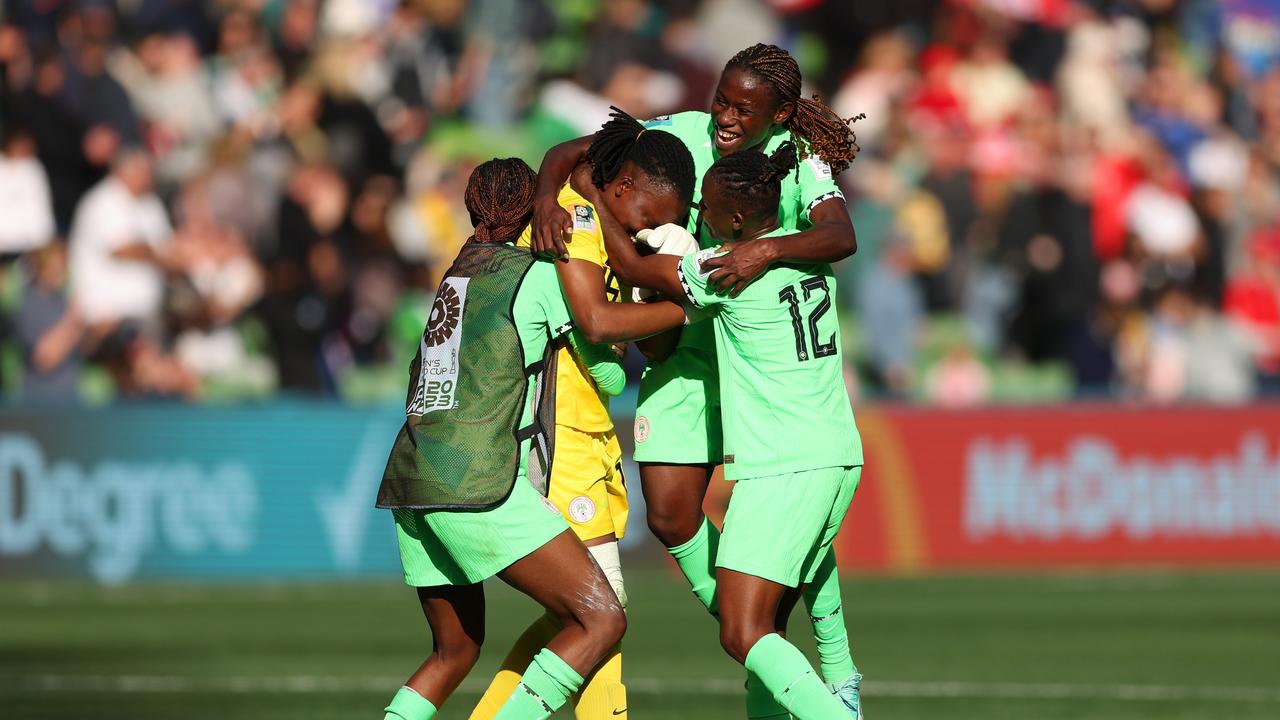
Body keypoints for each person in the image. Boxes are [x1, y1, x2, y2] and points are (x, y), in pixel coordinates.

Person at [531, 44, 865, 716]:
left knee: (770, 566)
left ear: (781, 114)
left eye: (744, 108)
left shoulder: (804, 160)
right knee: (671, 513)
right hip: (688, 342)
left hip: (754, 344)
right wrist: (547, 197)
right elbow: (578, 150)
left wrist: (763, 249)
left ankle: (823, 664)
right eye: (721, 99)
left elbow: (840, 236)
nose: (725, 117)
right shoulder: (681, 133)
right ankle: (762, 642)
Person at [377, 158, 689, 720]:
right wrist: (674, 307)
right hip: (478, 477)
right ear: (533, 212)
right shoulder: (538, 276)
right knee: (601, 617)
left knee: (455, 651)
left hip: (409, 476)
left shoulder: (455, 275)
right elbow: (612, 373)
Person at [597, 143, 863, 720]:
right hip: (838, 451)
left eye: (709, 210)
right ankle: (842, 683)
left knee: (743, 632)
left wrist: (593, 201)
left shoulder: (727, 270)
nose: (700, 217)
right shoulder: (808, 261)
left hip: (784, 464)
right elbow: (836, 233)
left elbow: (634, 269)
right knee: (774, 611)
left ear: (737, 221)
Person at [470, 114, 697, 720]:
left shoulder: (619, 227)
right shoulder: (578, 218)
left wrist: (659, 283)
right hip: (553, 428)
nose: (655, 229)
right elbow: (596, 323)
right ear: (622, 188)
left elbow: (647, 348)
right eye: (652, 215)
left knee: (574, 620)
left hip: (586, 430)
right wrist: (689, 308)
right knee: (604, 610)